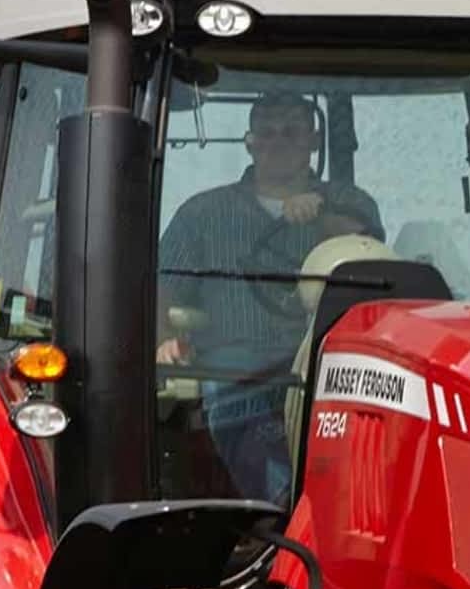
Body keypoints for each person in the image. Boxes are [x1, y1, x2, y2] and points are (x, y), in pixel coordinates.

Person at [156, 90, 385, 501]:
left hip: (328, 354)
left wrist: (320, 218)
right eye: (267, 132)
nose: (278, 141)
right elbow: (162, 287)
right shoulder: (202, 214)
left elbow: (369, 251)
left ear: (314, 141)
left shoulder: (348, 202)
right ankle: (289, 504)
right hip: (237, 362)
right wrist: (162, 340)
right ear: (250, 142)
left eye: (292, 132)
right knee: (234, 389)